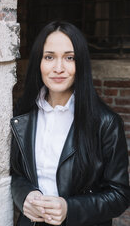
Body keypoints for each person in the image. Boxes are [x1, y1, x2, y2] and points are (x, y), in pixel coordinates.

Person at [10, 21, 130, 226]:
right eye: (49, 57)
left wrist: (69, 208)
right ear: (39, 62)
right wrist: (25, 196)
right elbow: (15, 174)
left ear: (80, 63)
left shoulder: (105, 123)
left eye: (69, 58)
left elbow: (119, 195)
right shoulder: (23, 114)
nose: (58, 68)